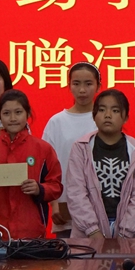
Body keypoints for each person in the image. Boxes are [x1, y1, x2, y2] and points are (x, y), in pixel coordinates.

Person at [0, 90, 63, 238]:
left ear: (28, 114)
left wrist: (39, 189)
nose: (13, 118)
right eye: (6, 113)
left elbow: (56, 186)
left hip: (32, 231)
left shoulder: (43, 149)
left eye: (18, 112)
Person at [67, 89, 135, 238]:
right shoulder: (80, 148)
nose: (107, 115)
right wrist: (93, 231)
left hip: (131, 235)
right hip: (88, 234)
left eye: (115, 110)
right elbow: (76, 193)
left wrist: (125, 235)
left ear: (126, 117)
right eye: (101, 110)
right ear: (94, 116)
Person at [42, 62, 101, 238]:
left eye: (88, 84)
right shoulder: (56, 122)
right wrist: (54, 204)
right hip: (65, 208)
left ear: (98, 86)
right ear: (69, 86)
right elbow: (46, 167)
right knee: (69, 254)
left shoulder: (104, 119)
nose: (82, 90)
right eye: (76, 83)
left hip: (102, 210)